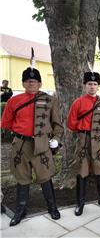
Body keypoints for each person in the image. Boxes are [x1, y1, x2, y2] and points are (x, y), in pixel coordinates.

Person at [1, 64, 63, 226]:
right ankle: (21, 210)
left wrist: (56, 138)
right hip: (21, 145)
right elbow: (6, 124)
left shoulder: (50, 100)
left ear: (40, 83)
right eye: (27, 81)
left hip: (42, 144)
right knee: (22, 178)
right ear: (23, 84)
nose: (31, 83)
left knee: (45, 177)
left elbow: (58, 125)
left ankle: (52, 207)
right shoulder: (14, 101)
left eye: (34, 81)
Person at [67, 71, 100, 215]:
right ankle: (80, 203)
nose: (92, 87)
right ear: (84, 85)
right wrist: (83, 131)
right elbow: (71, 123)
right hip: (83, 140)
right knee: (82, 172)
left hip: (99, 142)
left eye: (95, 84)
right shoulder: (78, 102)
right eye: (89, 84)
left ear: (99, 86)